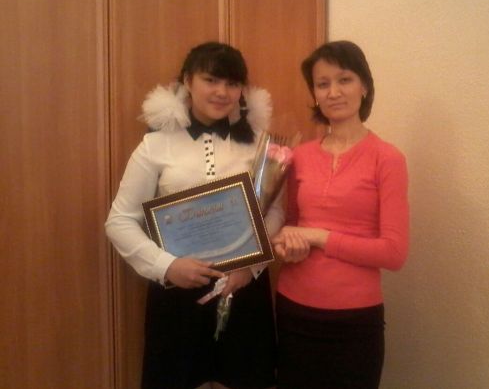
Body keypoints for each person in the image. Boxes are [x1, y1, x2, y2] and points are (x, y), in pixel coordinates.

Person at [105, 42, 282, 389]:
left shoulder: (259, 143)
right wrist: (166, 266)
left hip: (243, 289)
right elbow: (119, 221)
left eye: (232, 83)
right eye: (211, 80)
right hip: (177, 293)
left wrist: (250, 267)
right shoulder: (155, 145)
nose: (222, 92)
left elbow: (275, 211)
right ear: (187, 81)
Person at [272, 40, 409, 389]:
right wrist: (286, 245)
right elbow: (290, 224)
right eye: (323, 84)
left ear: (364, 86)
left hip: (355, 319)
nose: (333, 92)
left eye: (344, 80)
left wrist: (319, 237)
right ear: (315, 94)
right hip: (294, 309)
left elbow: (394, 253)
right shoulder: (300, 156)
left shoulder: (388, 159)